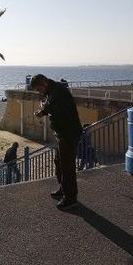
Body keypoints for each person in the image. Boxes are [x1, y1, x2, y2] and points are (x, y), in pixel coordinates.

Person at [31, 74, 82, 210]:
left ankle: (71, 198)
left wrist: (42, 113)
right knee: (59, 161)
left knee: (67, 166)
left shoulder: (58, 91)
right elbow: (51, 105)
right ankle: (63, 188)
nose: (39, 92)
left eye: (39, 89)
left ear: (44, 83)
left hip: (68, 134)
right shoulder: (53, 91)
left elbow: (54, 107)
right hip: (63, 133)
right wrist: (44, 110)